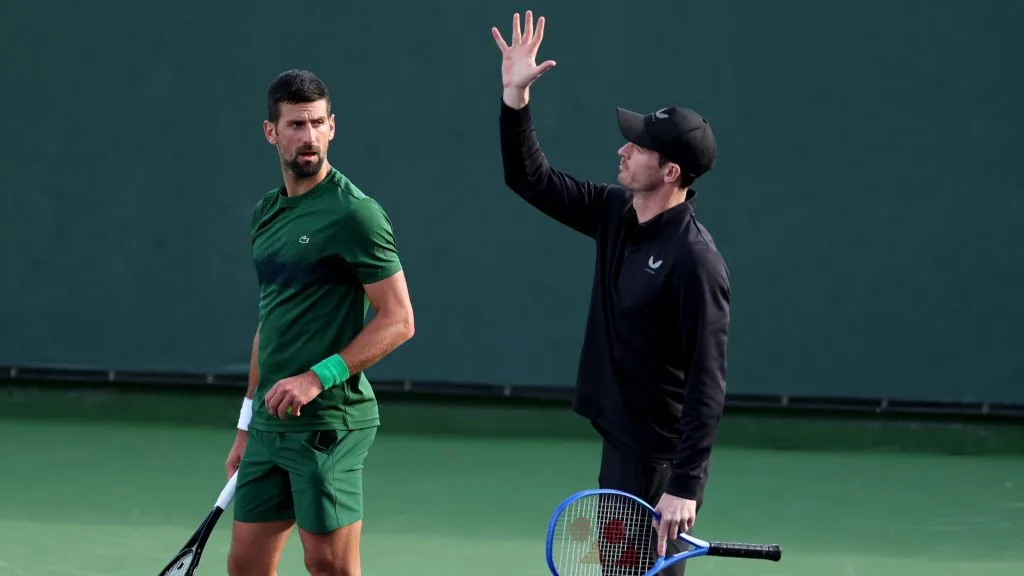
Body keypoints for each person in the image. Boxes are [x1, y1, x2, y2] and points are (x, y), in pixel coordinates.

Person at [491, 11, 730, 575]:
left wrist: (684, 485)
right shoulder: (616, 212)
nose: (623, 149)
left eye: (639, 146)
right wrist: (514, 98)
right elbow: (530, 179)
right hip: (621, 438)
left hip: (656, 459)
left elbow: (708, 379)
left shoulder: (695, 261)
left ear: (670, 171)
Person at [224, 69, 416, 576]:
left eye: (316, 123)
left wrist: (317, 378)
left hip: (330, 422)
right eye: (294, 125)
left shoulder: (357, 214)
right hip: (270, 422)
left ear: (332, 127)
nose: (307, 137)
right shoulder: (266, 213)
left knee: (328, 565)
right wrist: (247, 424)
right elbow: (271, 322)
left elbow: (398, 320)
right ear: (272, 133)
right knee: (244, 566)